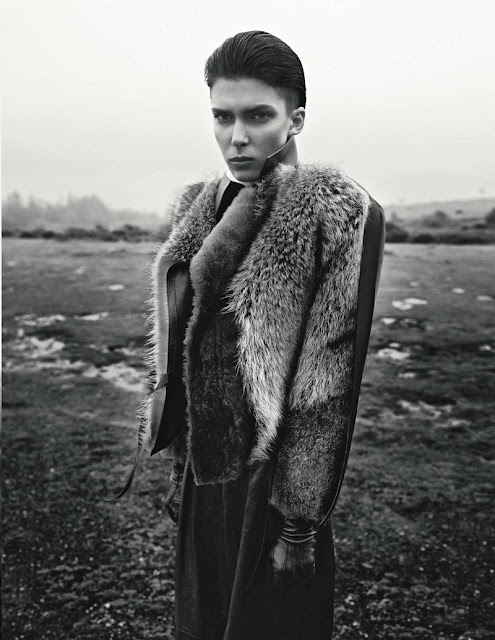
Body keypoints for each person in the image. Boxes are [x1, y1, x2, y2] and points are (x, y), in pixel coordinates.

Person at [115, 30, 385, 639]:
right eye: (222, 116)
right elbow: (187, 348)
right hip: (203, 466)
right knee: (201, 620)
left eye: (258, 116)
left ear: (296, 119)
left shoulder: (336, 211)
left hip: (271, 481)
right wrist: (180, 460)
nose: (236, 136)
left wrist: (298, 523)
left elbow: (326, 383)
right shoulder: (198, 205)